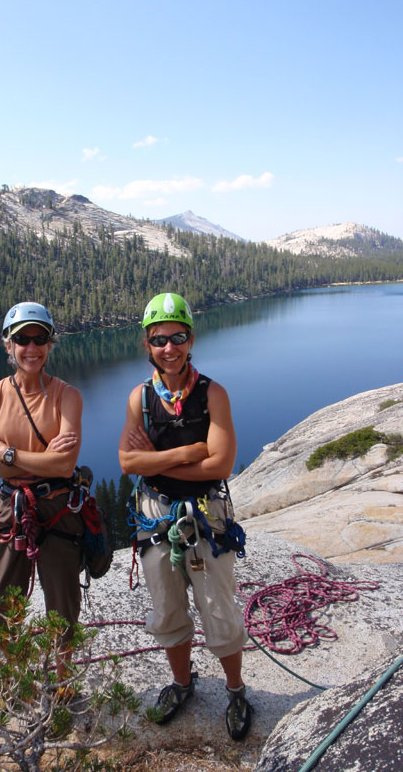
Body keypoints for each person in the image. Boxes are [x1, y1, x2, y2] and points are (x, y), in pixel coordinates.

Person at [118, 292, 252, 739]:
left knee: (218, 608)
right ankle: (181, 682)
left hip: (205, 513)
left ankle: (235, 690)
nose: (169, 348)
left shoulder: (213, 393)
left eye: (177, 337)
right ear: (147, 344)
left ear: (191, 339)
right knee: (167, 605)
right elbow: (126, 462)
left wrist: (157, 459)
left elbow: (221, 465)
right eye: (159, 340)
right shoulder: (140, 398)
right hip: (157, 515)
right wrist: (188, 451)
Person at [0, 301, 83, 677]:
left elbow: (65, 465)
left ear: (51, 343)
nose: (31, 348)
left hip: (57, 510)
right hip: (11, 510)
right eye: (22, 339)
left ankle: (63, 680)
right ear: (8, 344)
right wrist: (41, 460)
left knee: (63, 603)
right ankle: (9, 681)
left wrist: (7, 453)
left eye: (40, 339)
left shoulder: (68, 396)